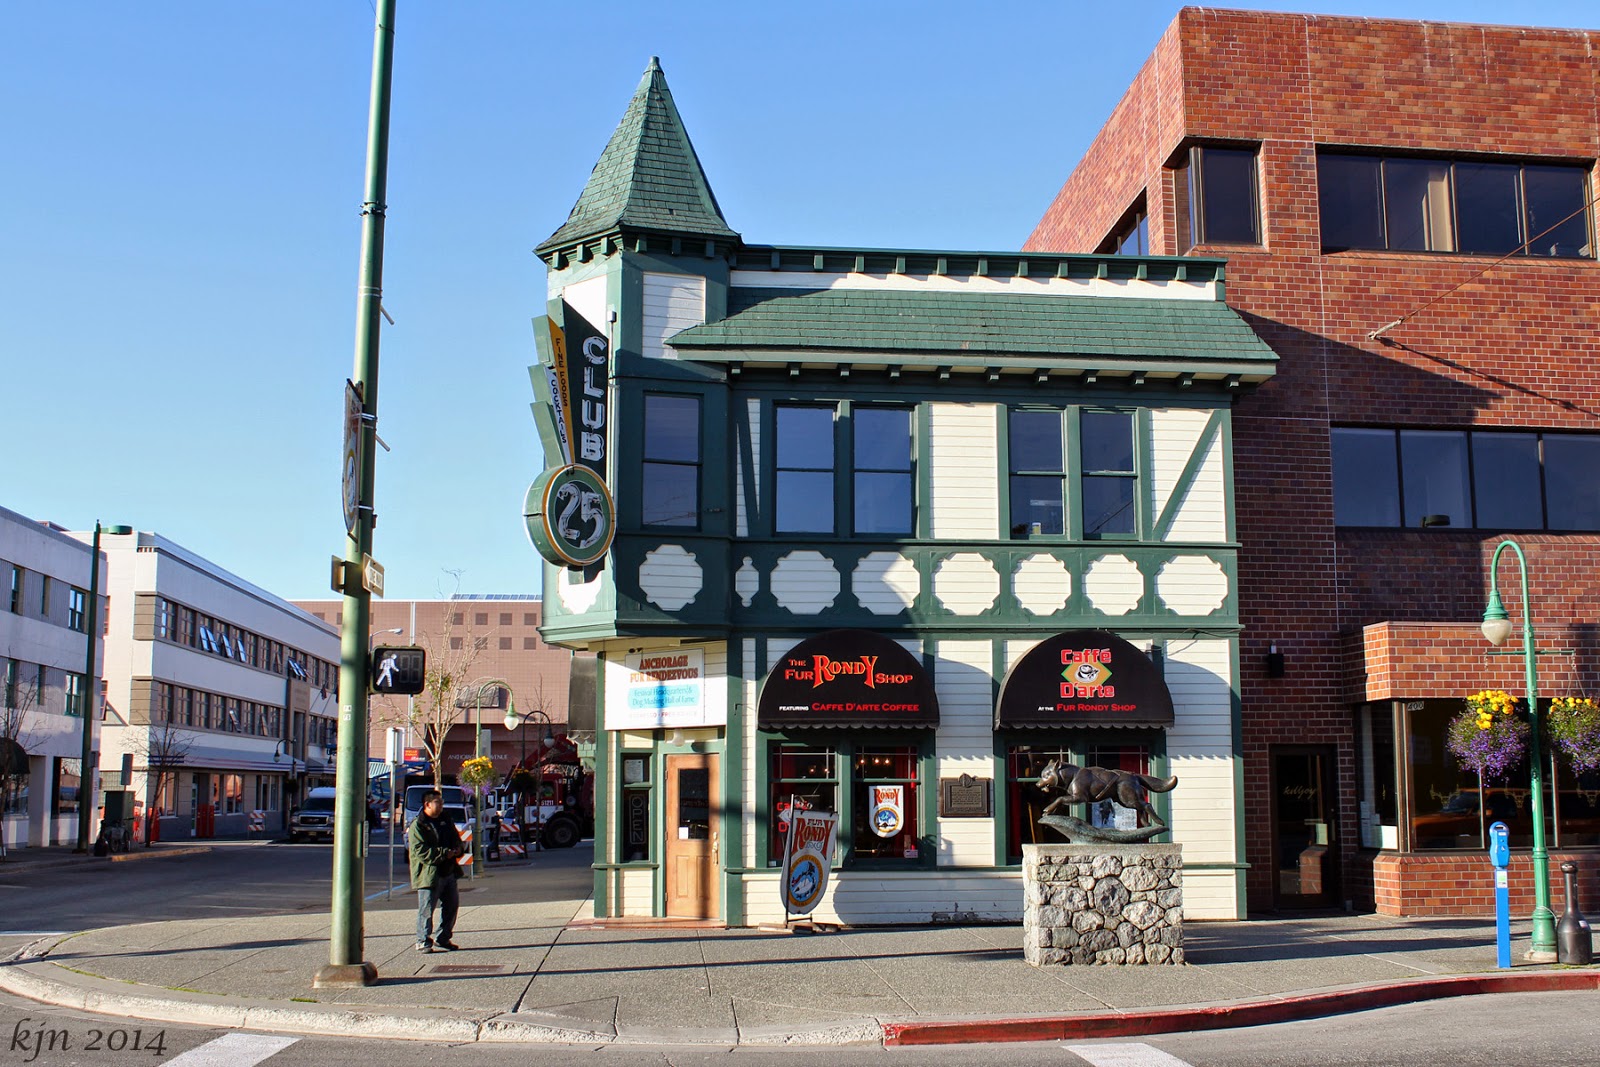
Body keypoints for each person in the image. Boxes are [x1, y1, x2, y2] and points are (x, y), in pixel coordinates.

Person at [408, 790, 462, 952]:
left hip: (449, 871)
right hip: (429, 874)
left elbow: (455, 838)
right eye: (438, 802)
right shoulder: (419, 825)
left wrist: (459, 848)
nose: (441, 806)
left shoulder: (445, 820)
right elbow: (421, 851)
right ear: (427, 804)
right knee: (426, 909)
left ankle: (443, 937)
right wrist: (444, 853)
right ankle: (422, 940)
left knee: (451, 906)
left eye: (442, 802)